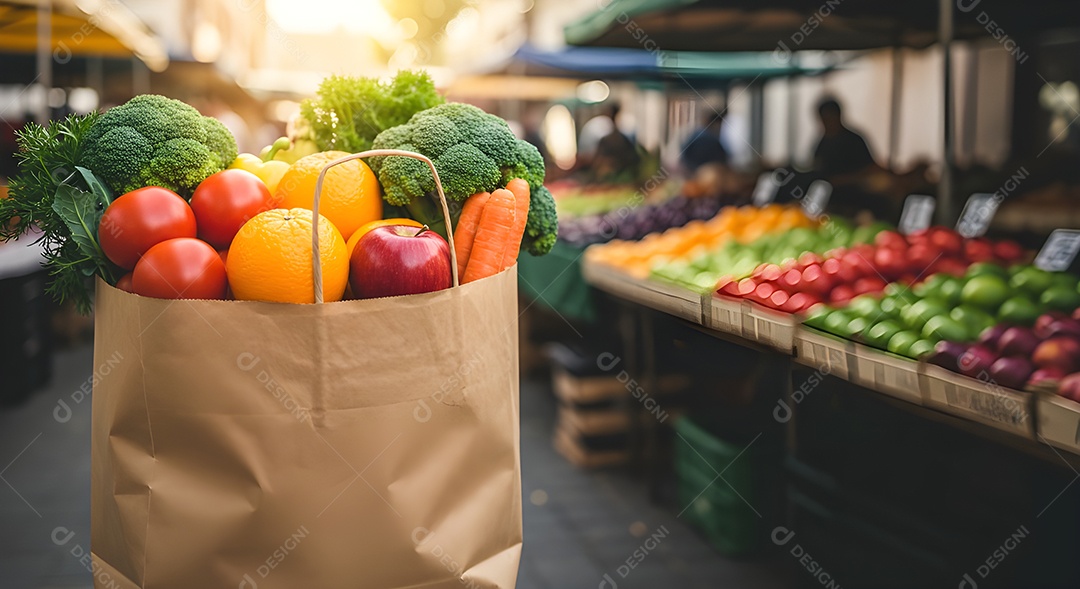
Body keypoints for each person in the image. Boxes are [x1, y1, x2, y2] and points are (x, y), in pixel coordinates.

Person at [812, 98, 876, 180]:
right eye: (824, 120)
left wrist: (844, 180)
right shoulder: (822, 144)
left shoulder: (853, 141)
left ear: (838, 116)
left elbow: (869, 169)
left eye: (829, 118)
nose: (827, 123)